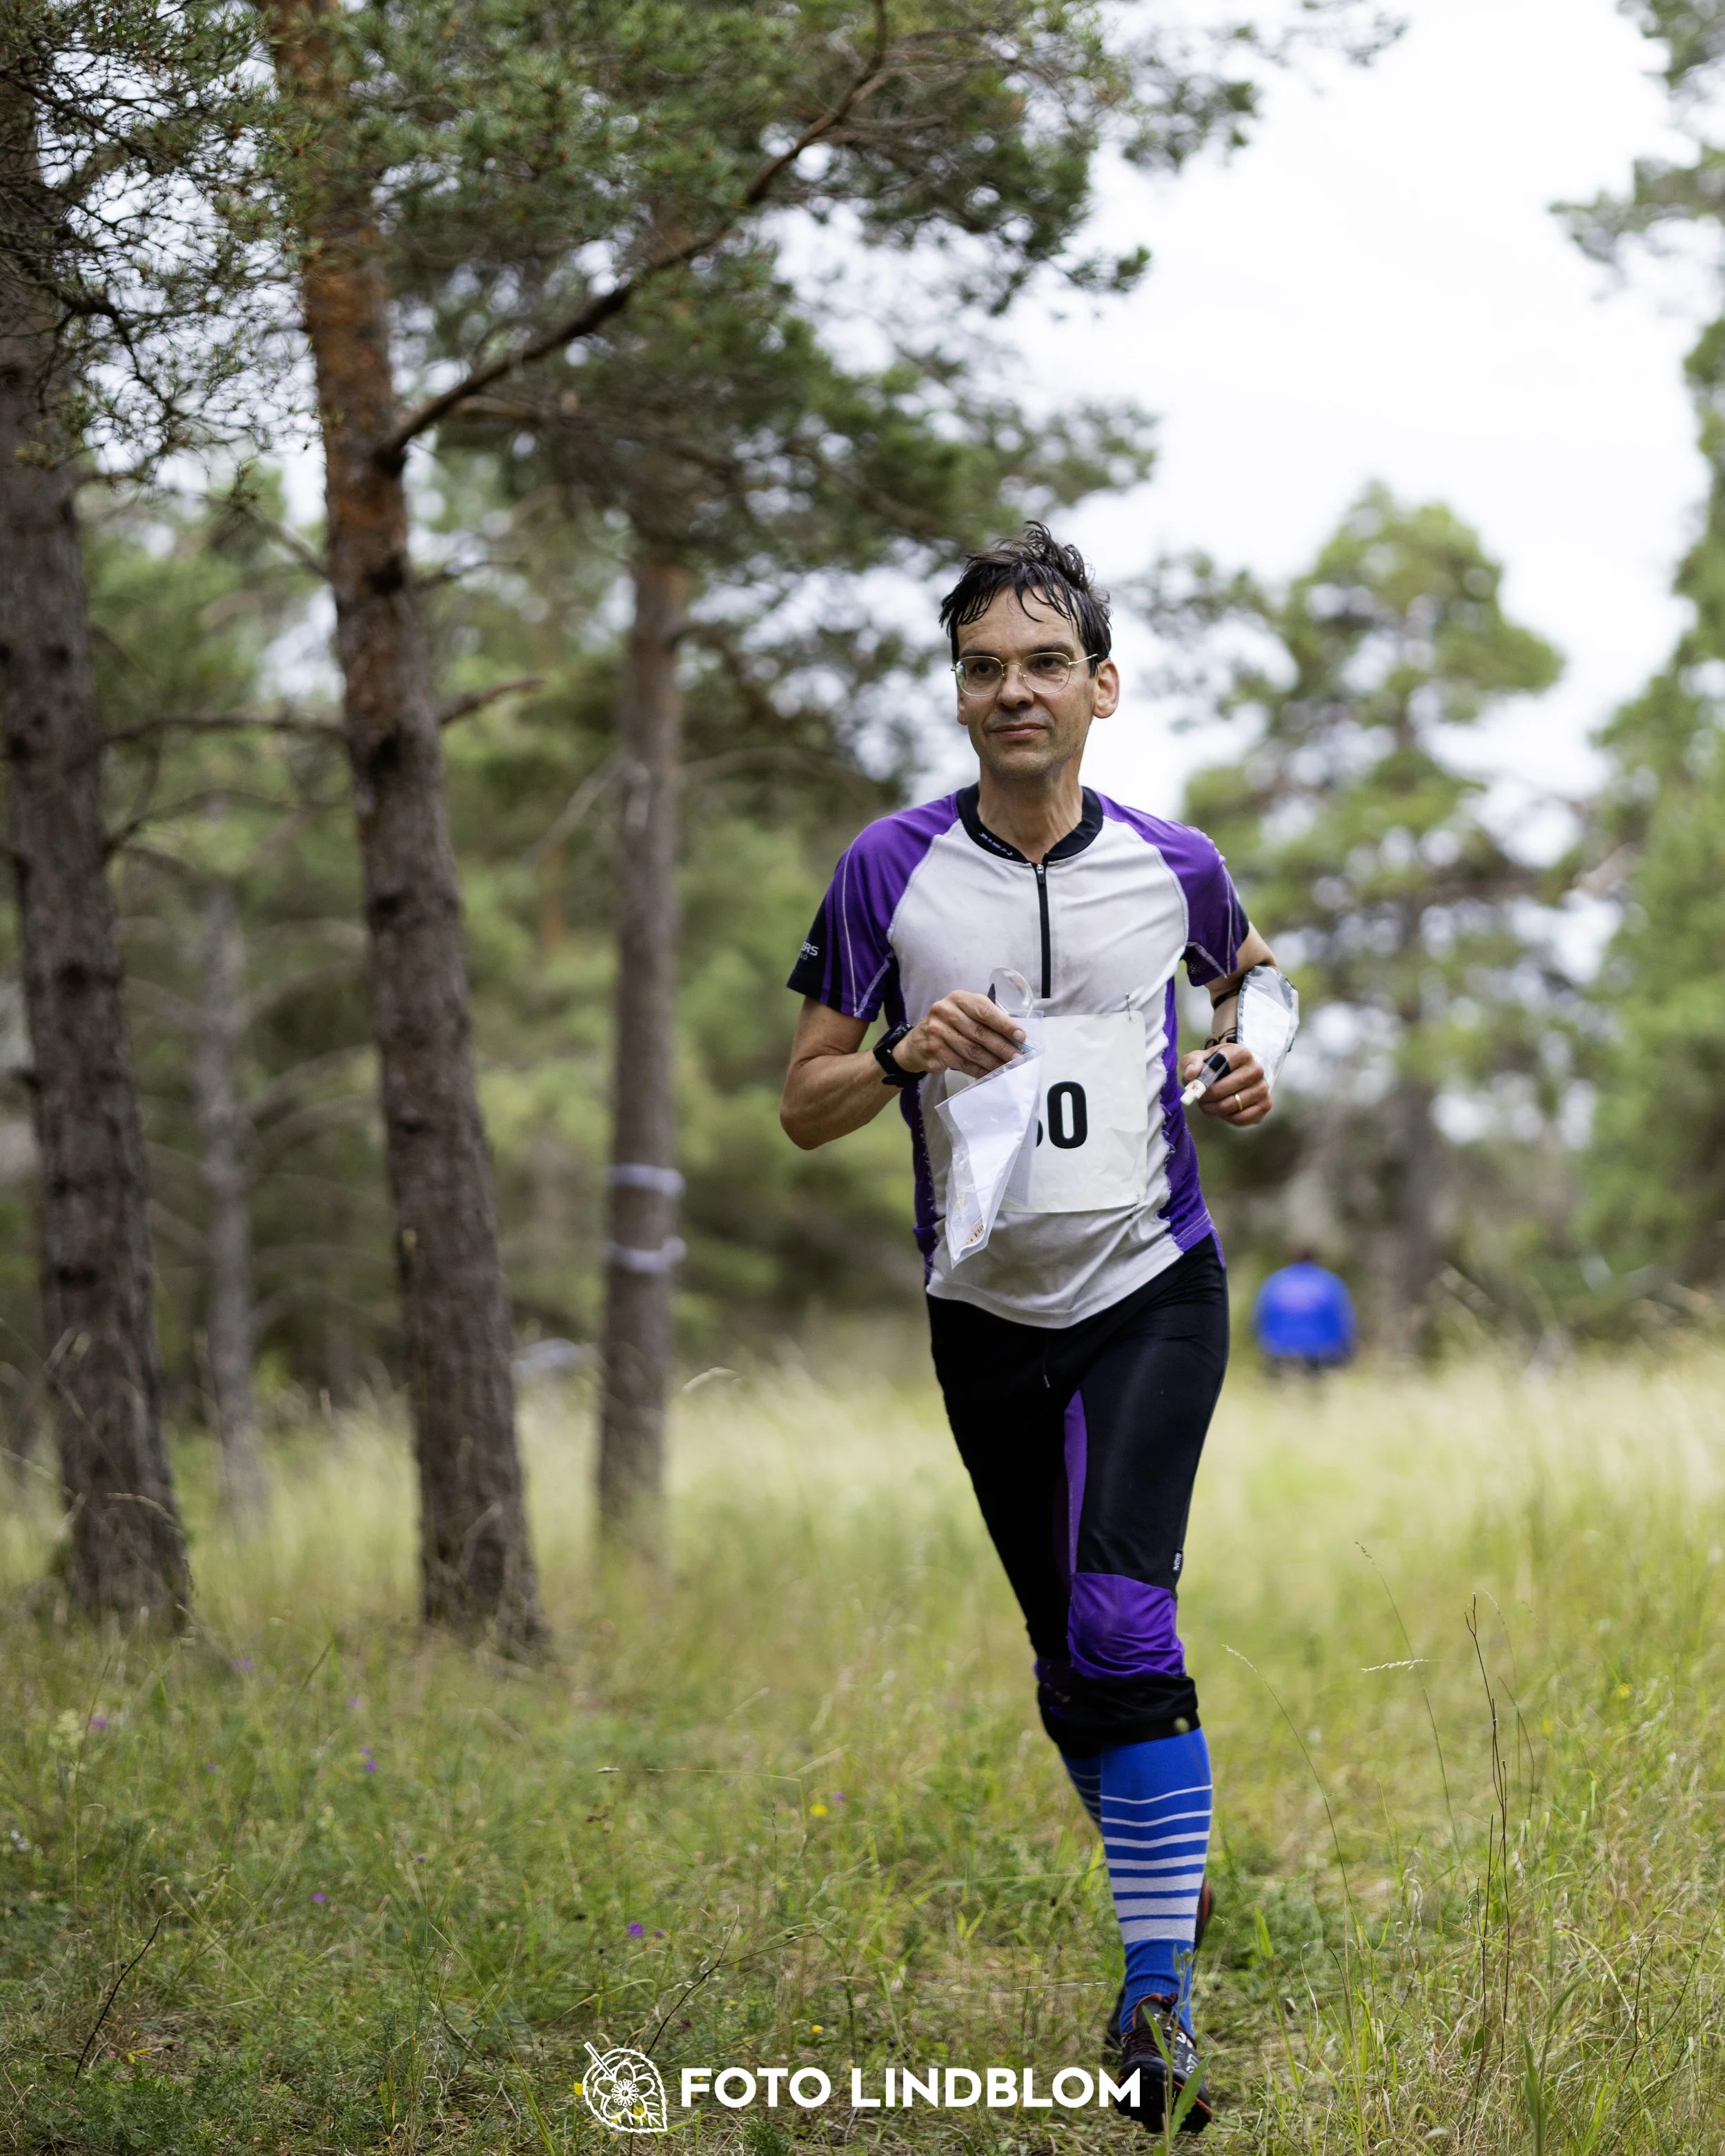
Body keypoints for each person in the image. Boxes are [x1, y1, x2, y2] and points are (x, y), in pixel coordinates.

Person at [779, 526, 1282, 2136]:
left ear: (1102, 687)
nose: (1014, 690)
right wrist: (906, 1054)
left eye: (1044, 662)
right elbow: (802, 1105)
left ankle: (1157, 2000)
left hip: (1152, 1285)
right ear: (959, 695)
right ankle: (1165, 1858)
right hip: (983, 1314)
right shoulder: (887, 870)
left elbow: (1252, 978)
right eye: (984, 666)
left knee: (1128, 1622)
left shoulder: (1175, 861)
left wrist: (1258, 1051)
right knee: (1072, 1658)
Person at [1253, 1249, 1355, 1372]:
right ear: (1317, 1259)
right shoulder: (1330, 1283)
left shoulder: (1274, 1282)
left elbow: (1257, 1322)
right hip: (1321, 1356)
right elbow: (1346, 1325)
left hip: (1278, 1354)